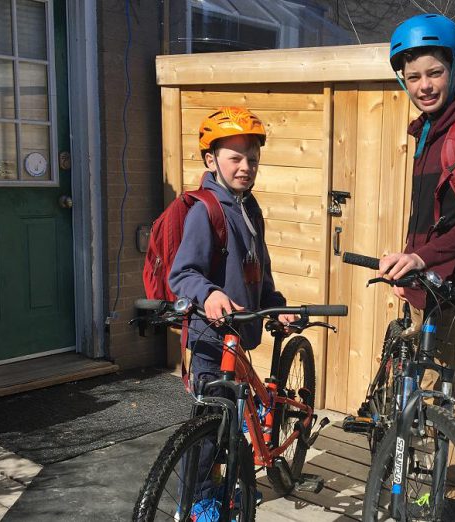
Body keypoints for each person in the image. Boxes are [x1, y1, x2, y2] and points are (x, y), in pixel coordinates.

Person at [379, 13, 455, 516]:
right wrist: (408, 267)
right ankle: (409, 480)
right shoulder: (428, 129)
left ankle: (450, 504)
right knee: (419, 398)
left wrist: (420, 257)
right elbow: (430, 216)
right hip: (424, 286)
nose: (424, 85)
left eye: (434, 72)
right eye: (413, 76)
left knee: (448, 404)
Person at [168, 107, 294, 517]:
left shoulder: (249, 206)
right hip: (210, 340)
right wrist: (208, 295)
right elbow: (182, 273)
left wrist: (274, 303)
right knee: (208, 430)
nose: (246, 166)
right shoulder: (207, 210)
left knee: (228, 423)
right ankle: (199, 502)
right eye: (235, 157)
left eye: (252, 158)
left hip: (238, 335)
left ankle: (232, 484)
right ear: (211, 160)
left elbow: (259, 268)